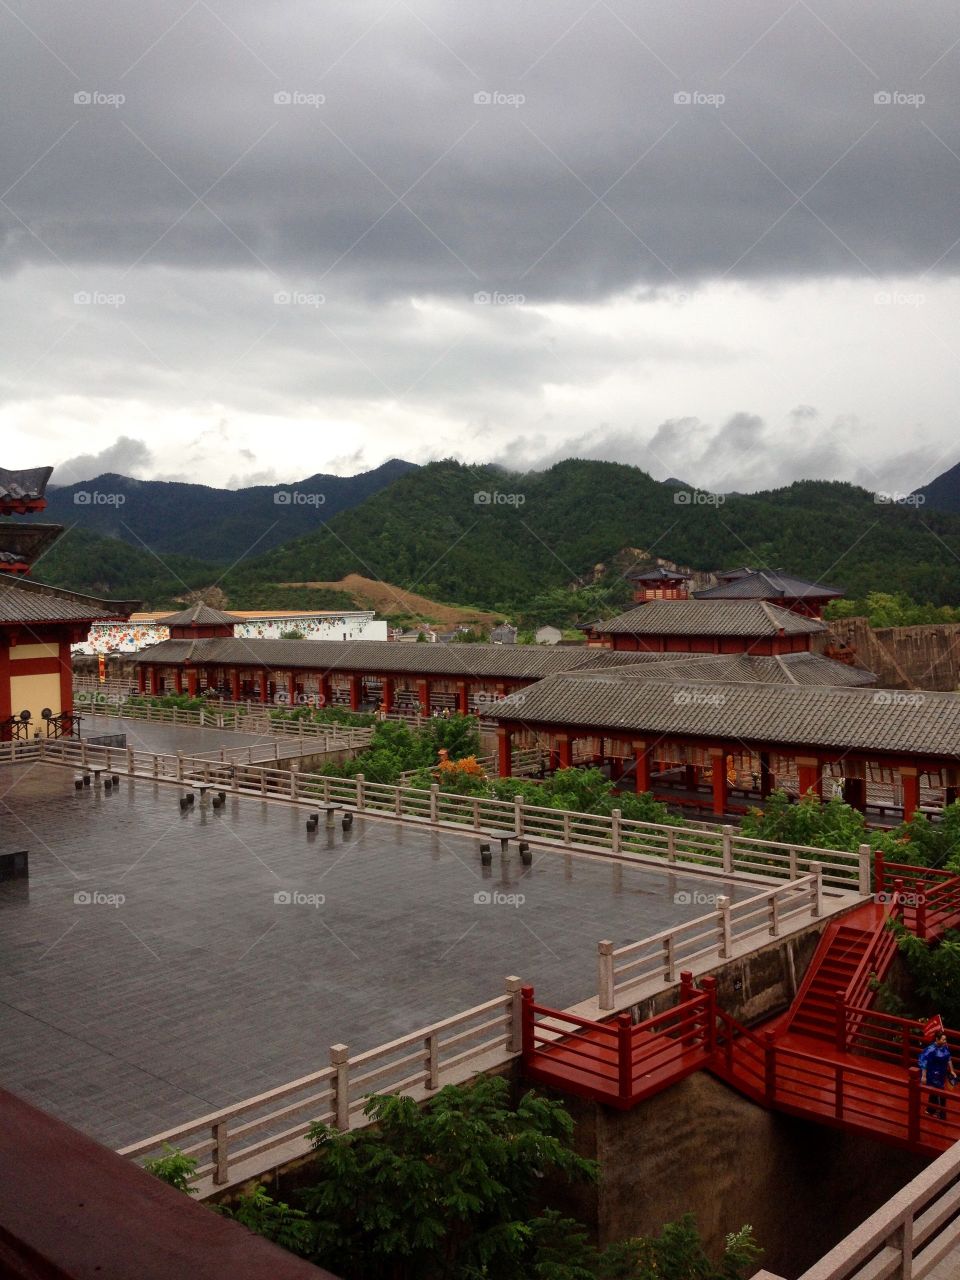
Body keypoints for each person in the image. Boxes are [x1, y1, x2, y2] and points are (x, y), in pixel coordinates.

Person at [919, 1031, 957, 1119]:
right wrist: (923, 1076)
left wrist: (952, 1070)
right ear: (937, 1039)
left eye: (945, 1039)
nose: (945, 1041)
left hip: (941, 1074)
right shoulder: (931, 1049)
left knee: (934, 1092)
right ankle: (941, 1113)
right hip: (933, 1074)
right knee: (940, 1093)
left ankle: (930, 1110)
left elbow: (949, 1059)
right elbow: (924, 1062)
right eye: (943, 1039)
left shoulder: (945, 1047)